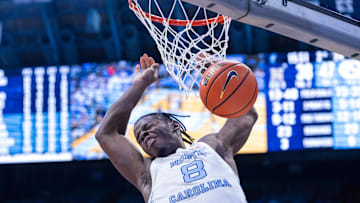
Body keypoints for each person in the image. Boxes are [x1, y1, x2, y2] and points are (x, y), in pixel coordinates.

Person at [95, 53, 258, 203]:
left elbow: (246, 115)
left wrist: (216, 71)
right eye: (139, 137)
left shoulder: (211, 146)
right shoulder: (147, 173)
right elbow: (106, 134)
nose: (143, 134)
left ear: (174, 125)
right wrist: (140, 84)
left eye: (148, 127)